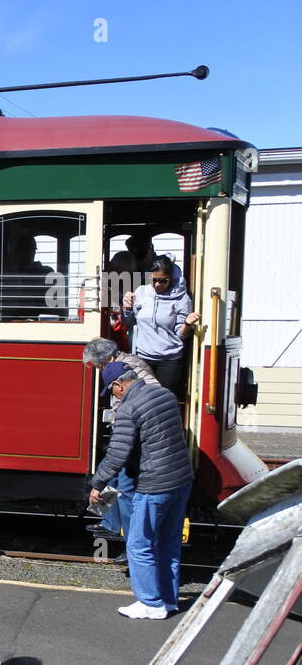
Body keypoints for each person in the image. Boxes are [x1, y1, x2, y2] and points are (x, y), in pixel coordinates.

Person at [89, 361, 194, 619]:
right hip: (181, 480)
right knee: (168, 543)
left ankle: (150, 602)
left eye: (111, 391)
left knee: (139, 543)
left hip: (155, 484)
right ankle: (168, 600)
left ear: (119, 385)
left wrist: (97, 484)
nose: (112, 395)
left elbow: (117, 454)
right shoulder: (165, 395)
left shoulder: (128, 409)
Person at [82, 338, 159, 539]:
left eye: (99, 365)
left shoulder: (129, 367)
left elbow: (152, 393)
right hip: (126, 428)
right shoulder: (126, 363)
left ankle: (130, 540)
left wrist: (124, 415)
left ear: (108, 359)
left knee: (124, 486)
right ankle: (110, 522)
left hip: (134, 434)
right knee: (114, 478)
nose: (99, 369)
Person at [123, 255, 199, 392]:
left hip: (169, 360)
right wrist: (127, 309)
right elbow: (128, 323)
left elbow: (181, 335)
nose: (157, 284)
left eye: (162, 281)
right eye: (153, 280)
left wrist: (187, 324)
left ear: (171, 279)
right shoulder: (141, 292)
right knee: (141, 399)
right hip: (142, 357)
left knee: (161, 399)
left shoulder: (182, 299)